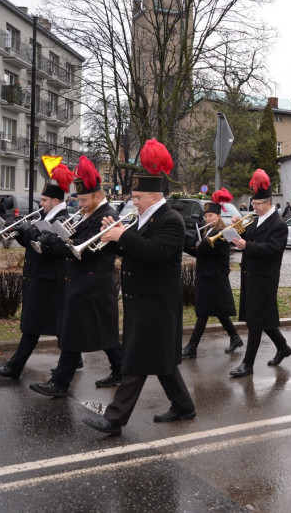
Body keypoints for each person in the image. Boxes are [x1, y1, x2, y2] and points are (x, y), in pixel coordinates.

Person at [83, 140, 196, 434]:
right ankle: (184, 406)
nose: (134, 201)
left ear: (155, 195)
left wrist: (122, 237)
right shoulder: (144, 217)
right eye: (133, 196)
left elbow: (157, 252)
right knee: (161, 360)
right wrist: (113, 237)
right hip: (141, 299)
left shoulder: (171, 220)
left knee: (136, 361)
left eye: (138, 196)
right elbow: (136, 251)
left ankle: (114, 419)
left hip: (156, 302)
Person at [30, 156, 123, 398]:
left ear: (97, 197)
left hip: (92, 282)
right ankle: (120, 368)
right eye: (78, 200)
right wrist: (53, 241)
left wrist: (58, 243)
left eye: (83, 199)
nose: (79, 204)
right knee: (104, 332)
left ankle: (60, 382)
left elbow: (84, 249)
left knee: (74, 334)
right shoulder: (89, 213)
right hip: (84, 282)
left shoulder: (107, 216)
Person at [0, 163, 74, 378]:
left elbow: (46, 246)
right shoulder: (45, 217)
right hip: (39, 276)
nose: (41, 203)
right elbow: (32, 243)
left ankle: (14, 367)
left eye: (44, 200)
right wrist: (19, 232)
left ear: (55, 201)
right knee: (54, 324)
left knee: (35, 325)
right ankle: (78, 359)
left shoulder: (62, 218)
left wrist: (28, 233)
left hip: (50, 278)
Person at [230, 169, 291, 377]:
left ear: (268, 203)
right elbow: (251, 237)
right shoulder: (258, 220)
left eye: (256, 205)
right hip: (252, 275)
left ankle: (247, 364)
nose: (253, 207)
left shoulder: (279, 225)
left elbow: (271, 249)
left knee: (255, 322)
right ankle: (283, 347)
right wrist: (237, 230)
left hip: (265, 277)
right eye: (253, 204)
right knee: (262, 318)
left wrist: (246, 245)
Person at [182, 188, 242, 356]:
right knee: (218, 312)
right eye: (206, 216)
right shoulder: (207, 231)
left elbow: (206, 248)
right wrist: (188, 245)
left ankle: (192, 348)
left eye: (210, 216)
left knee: (203, 312)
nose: (207, 218)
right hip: (206, 275)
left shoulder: (222, 233)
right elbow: (200, 252)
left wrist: (192, 241)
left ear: (218, 217)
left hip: (214, 277)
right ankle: (235, 337)